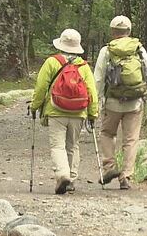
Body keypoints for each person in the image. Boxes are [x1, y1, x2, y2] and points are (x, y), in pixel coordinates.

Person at [30, 29, 98, 194]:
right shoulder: (83, 66)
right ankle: (71, 180)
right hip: (78, 111)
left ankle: (62, 175)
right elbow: (92, 91)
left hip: (56, 110)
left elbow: (41, 88)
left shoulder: (52, 62)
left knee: (57, 146)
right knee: (72, 146)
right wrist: (93, 113)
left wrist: (34, 106)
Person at [93, 15, 147, 190]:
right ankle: (126, 176)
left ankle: (110, 167)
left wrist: (97, 101)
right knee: (131, 139)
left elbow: (98, 77)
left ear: (112, 32)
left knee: (107, 133)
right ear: (129, 31)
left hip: (112, 101)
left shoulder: (107, 50)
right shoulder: (139, 49)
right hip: (135, 102)